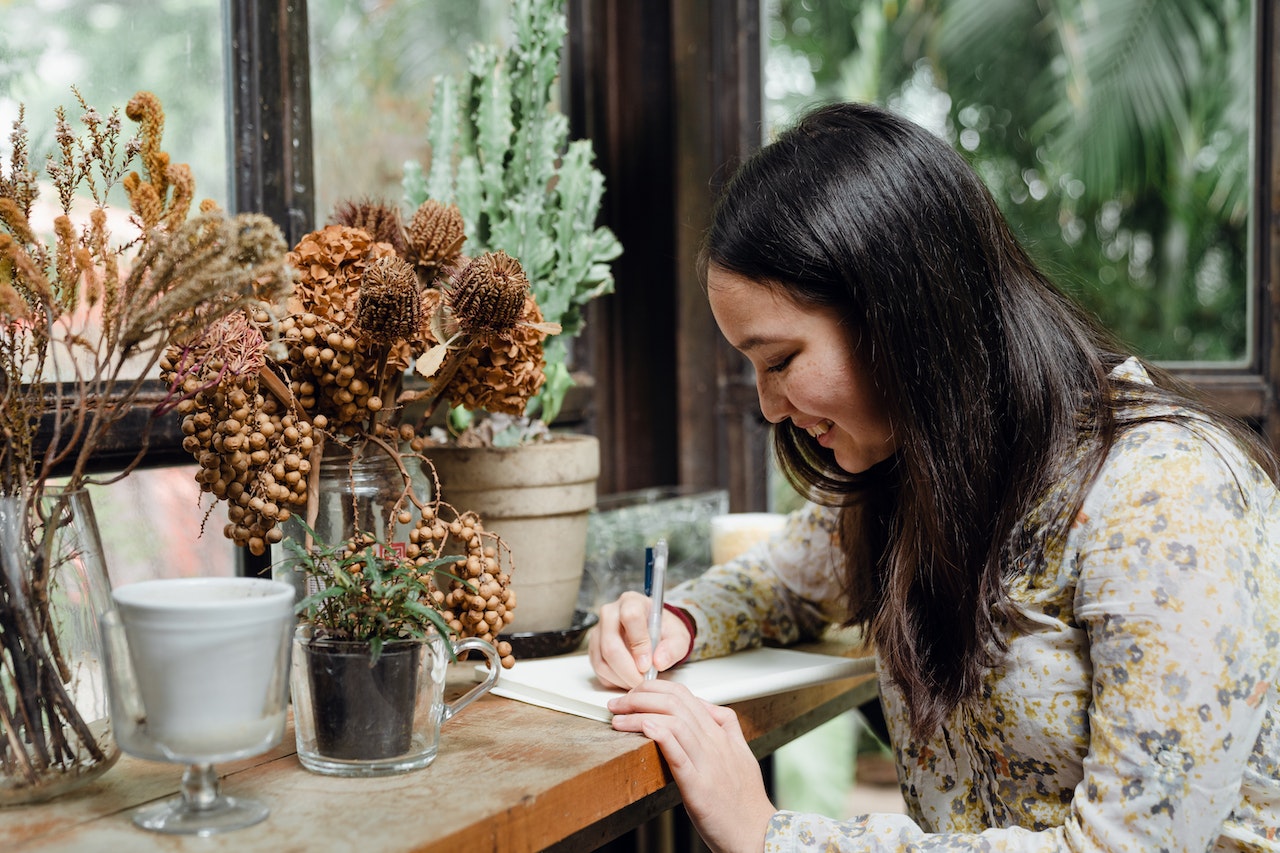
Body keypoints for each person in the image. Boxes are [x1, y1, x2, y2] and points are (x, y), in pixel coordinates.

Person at [588, 101, 1280, 852]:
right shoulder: (914, 468)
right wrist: (676, 624)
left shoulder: (1167, 497)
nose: (768, 404)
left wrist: (774, 836)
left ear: (898, 313)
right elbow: (785, 580)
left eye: (781, 360)